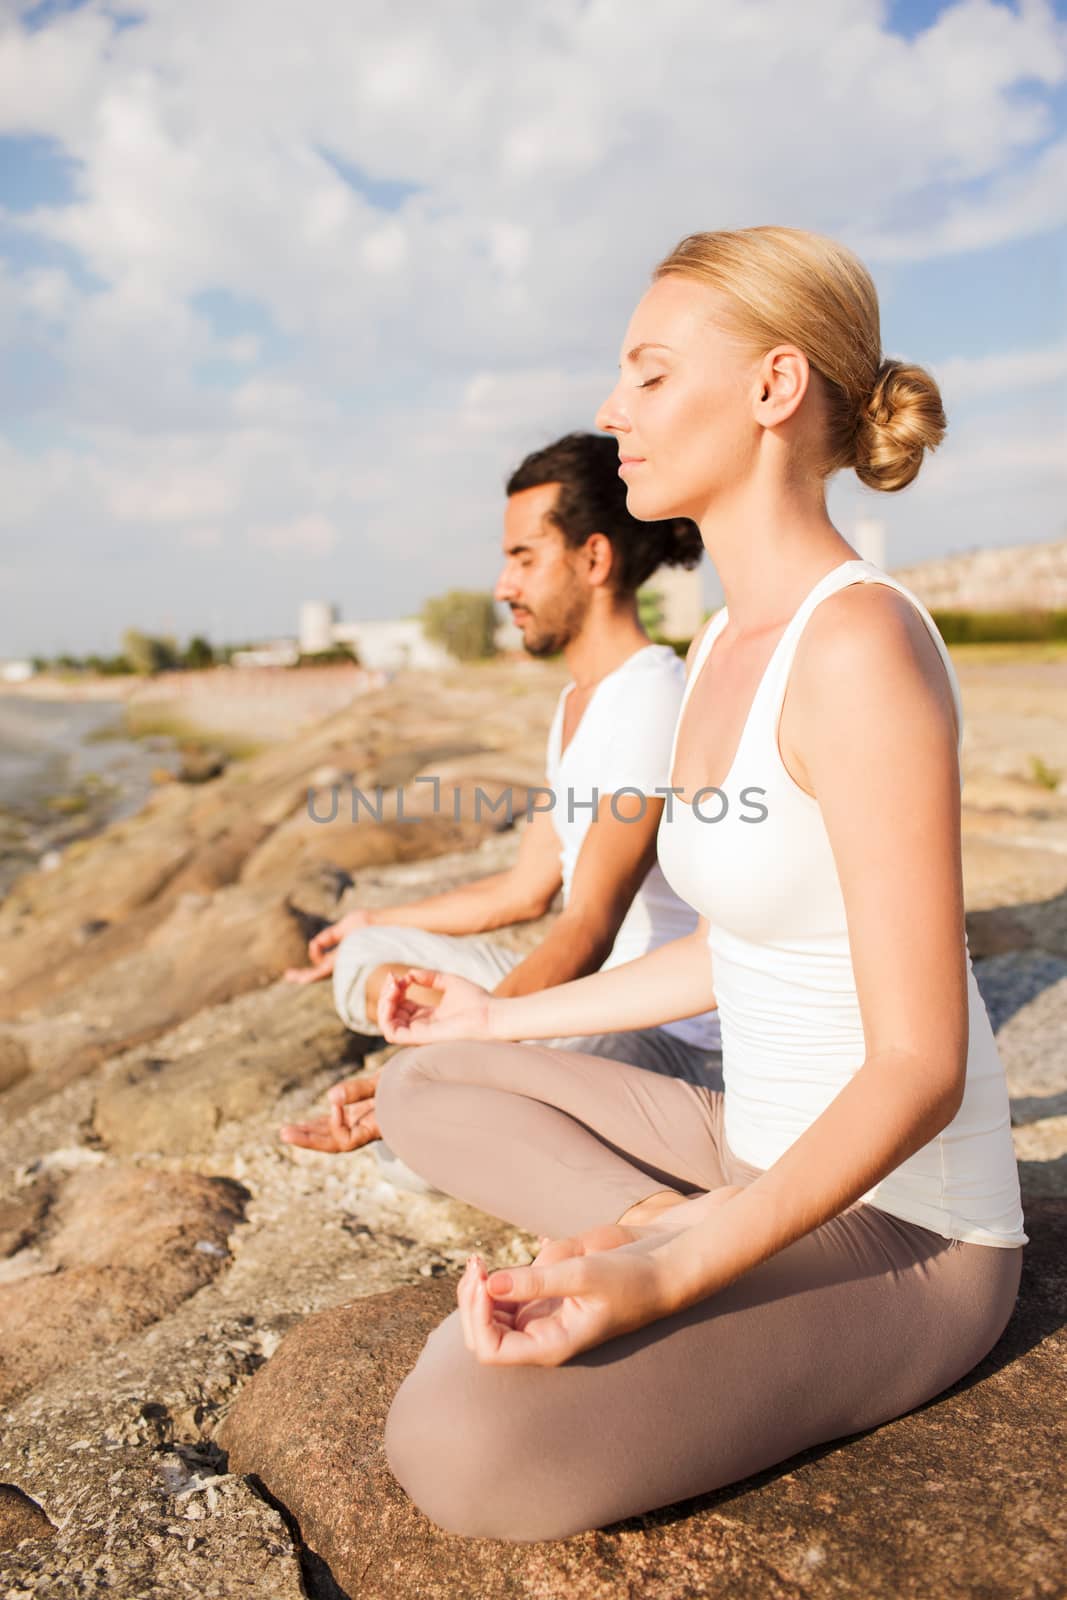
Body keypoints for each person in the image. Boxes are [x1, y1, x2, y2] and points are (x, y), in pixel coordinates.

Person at [366, 226, 1027, 1543]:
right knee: (420, 1081)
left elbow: (916, 1065)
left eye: (651, 373)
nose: (613, 410)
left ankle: (673, 1227)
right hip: (745, 1145)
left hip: (902, 1226)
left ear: (774, 387)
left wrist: (660, 1283)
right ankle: (654, 1203)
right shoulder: (723, 636)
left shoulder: (859, 647)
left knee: (455, 1440)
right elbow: (751, 947)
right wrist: (490, 1020)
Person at [279, 432, 722, 1158]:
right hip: (594, 1001)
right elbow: (524, 890)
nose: (501, 586)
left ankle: (457, 1100)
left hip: (664, 1035)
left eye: (522, 557)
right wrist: (372, 914)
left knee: (417, 1141)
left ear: (594, 558)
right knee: (368, 952)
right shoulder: (583, 701)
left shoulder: (649, 702)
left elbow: (587, 928)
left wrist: (447, 1059)